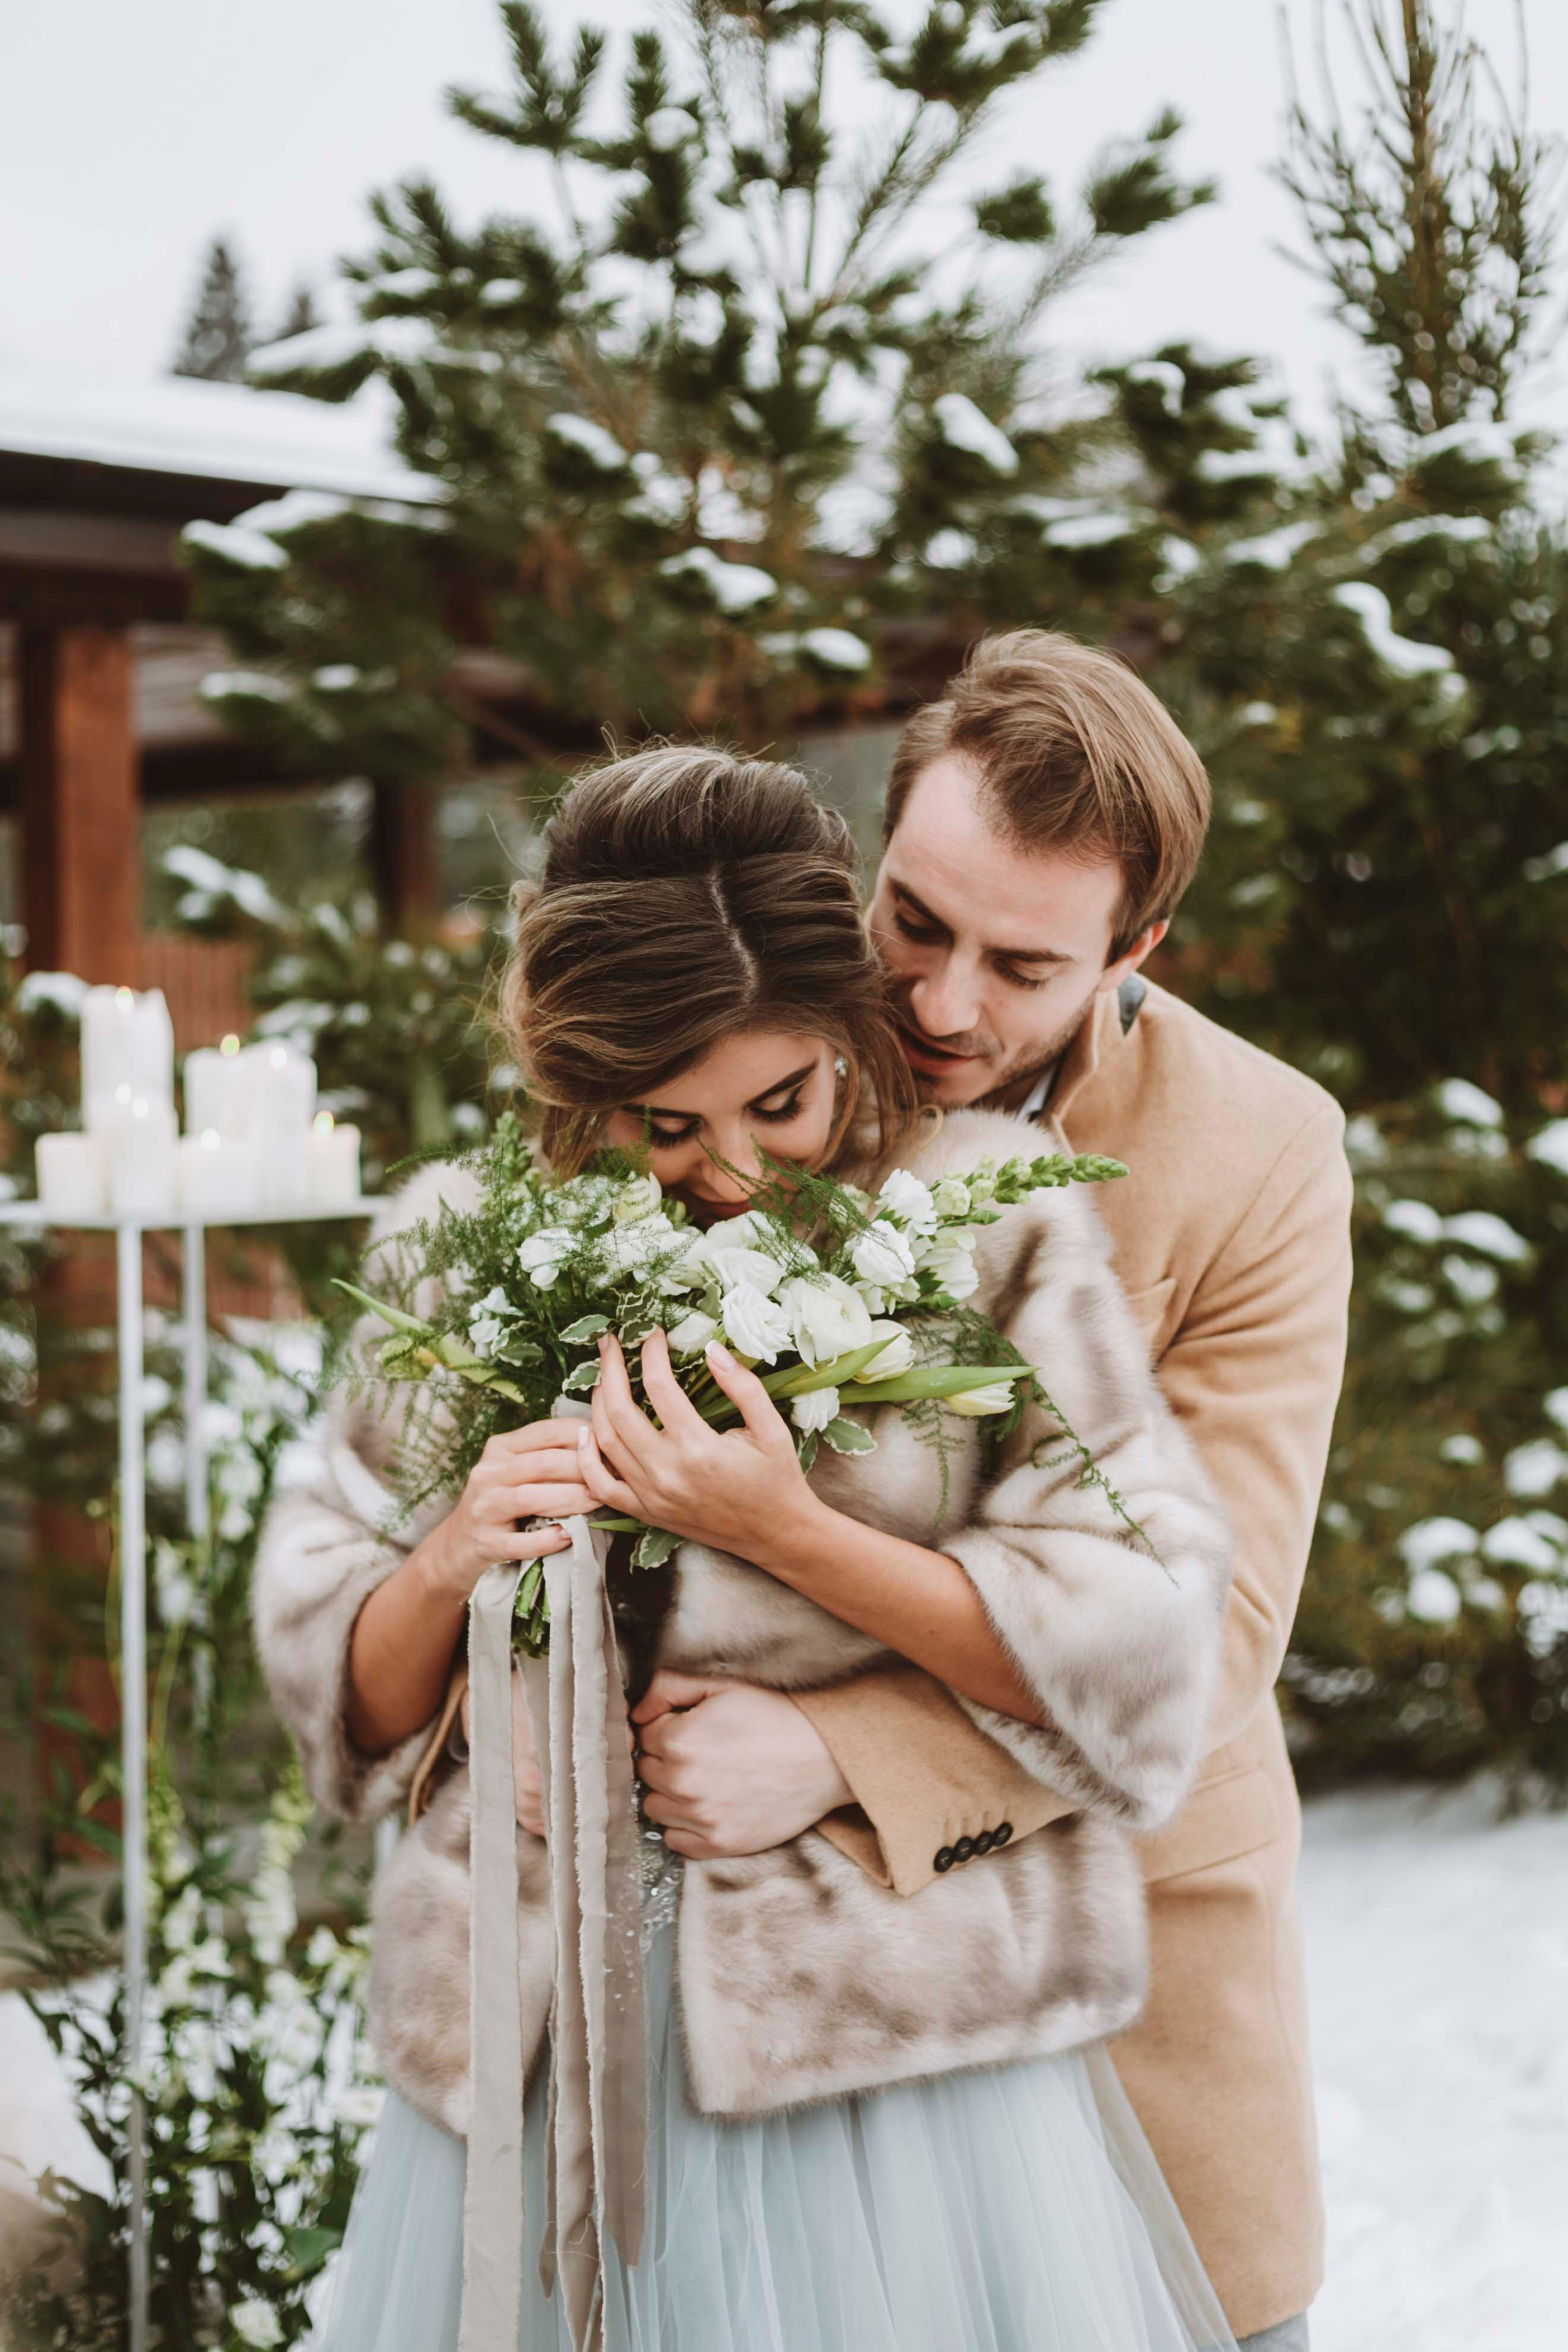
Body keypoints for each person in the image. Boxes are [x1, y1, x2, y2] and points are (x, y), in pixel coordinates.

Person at [255, 744, 1238, 2352]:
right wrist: (445, 1573)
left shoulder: (986, 1225)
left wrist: (787, 1539)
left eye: (783, 1100)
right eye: (667, 1122)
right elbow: (330, 1676)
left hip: (878, 2064)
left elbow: (1144, 1637)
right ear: (584, 1086)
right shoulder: (455, 1247)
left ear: (850, 1025)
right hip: (528, 2039)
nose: (734, 1169)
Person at [632, 635, 1354, 2352]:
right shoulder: (732, 1051)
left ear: (1137, 951)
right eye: (914, 923)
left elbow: (1209, 1632)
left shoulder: (1264, 1152)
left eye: (1024, 965)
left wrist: (845, 1751)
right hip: (761, 2073)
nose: (945, 1005)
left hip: (1127, 2002)